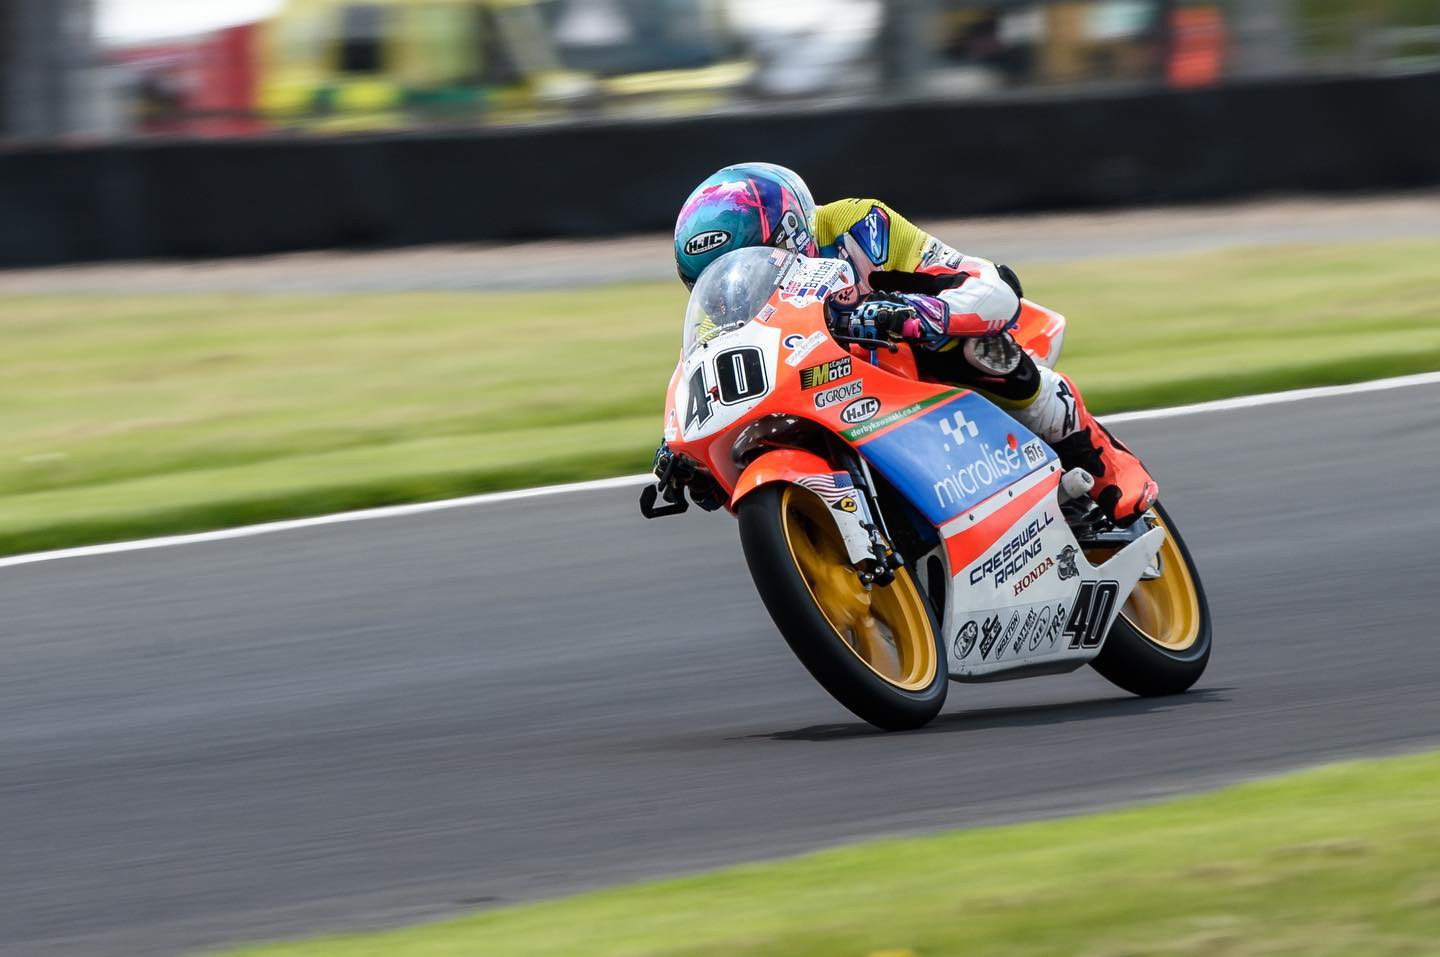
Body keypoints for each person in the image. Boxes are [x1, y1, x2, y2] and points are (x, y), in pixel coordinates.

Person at [665, 162, 1157, 527]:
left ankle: (1098, 456)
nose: (733, 284)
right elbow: (710, 368)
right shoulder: (724, 309)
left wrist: (916, 314)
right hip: (824, 393)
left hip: (908, 363)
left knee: (976, 348)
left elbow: (991, 285)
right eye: (713, 278)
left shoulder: (857, 227)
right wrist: (683, 451)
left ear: (792, 233)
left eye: (754, 259)